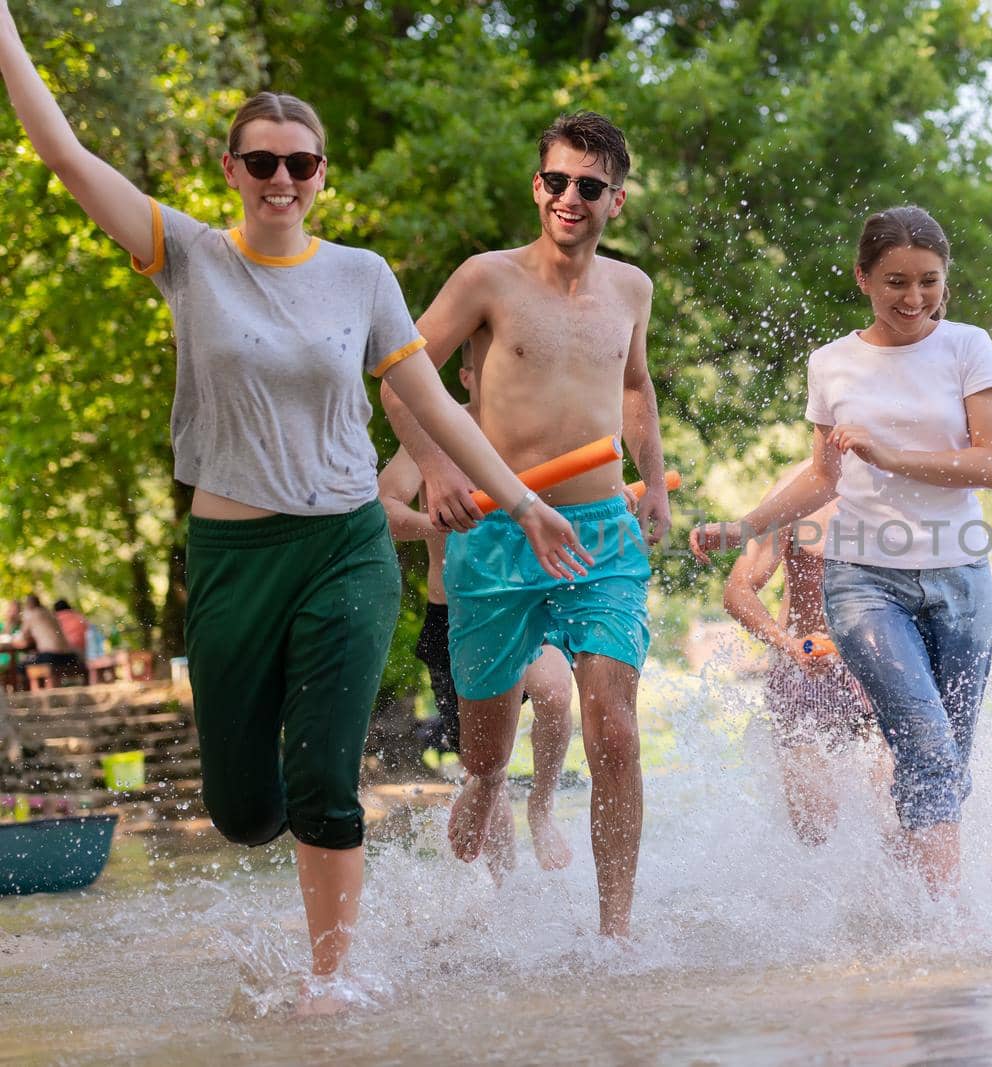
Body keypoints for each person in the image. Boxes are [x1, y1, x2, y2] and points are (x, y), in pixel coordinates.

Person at [0, 5, 591, 1007]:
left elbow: (431, 400)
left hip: (344, 548)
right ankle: (296, 872)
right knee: (240, 808)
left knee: (325, 773)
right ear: (231, 170)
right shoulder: (187, 255)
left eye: (300, 164)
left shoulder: (361, 278)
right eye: (262, 162)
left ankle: (334, 976)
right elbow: (61, 151)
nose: (282, 180)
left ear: (322, 176)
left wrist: (522, 501)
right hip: (233, 556)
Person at [380, 111, 669, 937]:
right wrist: (437, 469)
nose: (568, 197)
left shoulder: (633, 288)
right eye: (555, 181)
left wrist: (654, 484)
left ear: (616, 197)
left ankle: (616, 931)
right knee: (484, 756)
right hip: (496, 539)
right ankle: (481, 795)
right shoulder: (487, 279)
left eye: (588, 186)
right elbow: (399, 378)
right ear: (536, 185)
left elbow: (637, 387)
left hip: (600, 534)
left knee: (613, 729)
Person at [692, 206, 992, 898]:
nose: (915, 298)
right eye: (896, 281)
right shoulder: (831, 363)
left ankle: (902, 893)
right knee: (925, 740)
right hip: (865, 581)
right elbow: (822, 479)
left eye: (930, 281)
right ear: (862, 277)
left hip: (960, 576)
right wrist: (741, 527)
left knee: (947, 757)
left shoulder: (968, 347)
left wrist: (890, 454)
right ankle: (948, 921)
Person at [377, 336, 579, 869]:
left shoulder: (541, 434)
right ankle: (503, 895)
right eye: (482, 370)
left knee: (557, 690)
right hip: (457, 618)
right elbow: (382, 506)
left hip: (533, 604)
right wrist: (432, 522)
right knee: (486, 766)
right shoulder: (431, 437)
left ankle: (541, 807)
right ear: (464, 378)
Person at [722, 462, 889, 846]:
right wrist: (787, 645)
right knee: (817, 830)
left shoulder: (901, 486)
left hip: (880, 667)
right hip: (805, 673)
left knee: (895, 815)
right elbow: (738, 591)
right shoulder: (794, 496)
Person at [16, 594, 83, 678]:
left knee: (21, 666)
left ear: (28, 605)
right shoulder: (50, 613)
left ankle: (35, 689)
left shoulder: (32, 614)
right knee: (33, 659)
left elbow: (20, 638)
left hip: (52, 656)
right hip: (69, 656)